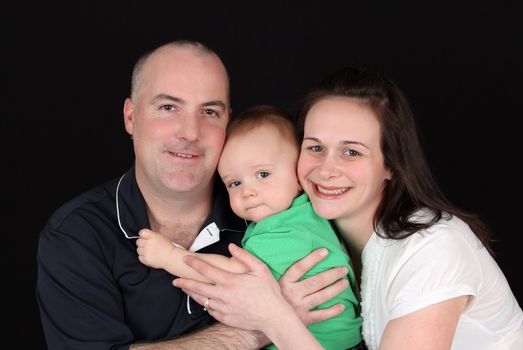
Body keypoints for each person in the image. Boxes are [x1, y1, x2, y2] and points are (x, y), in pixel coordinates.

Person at [174, 67, 523, 349]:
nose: (326, 170)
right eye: (315, 148)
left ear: (391, 165)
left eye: (352, 152)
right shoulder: (310, 235)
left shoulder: (433, 250)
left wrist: (273, 316)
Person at [35, 40, 351, 350]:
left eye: (209, 111)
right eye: (169, 107)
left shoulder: (271, 207)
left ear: (229, 120)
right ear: (131, 117)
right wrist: (266, 326)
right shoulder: (76, 236)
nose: (190, 132)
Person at [136, 105, 364, 350]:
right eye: (235, 182)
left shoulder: (290, 230)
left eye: (263, 174)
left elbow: (233, 278)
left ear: (298, 175)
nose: (248, 191)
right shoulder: (300, 214)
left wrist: (169, 256)